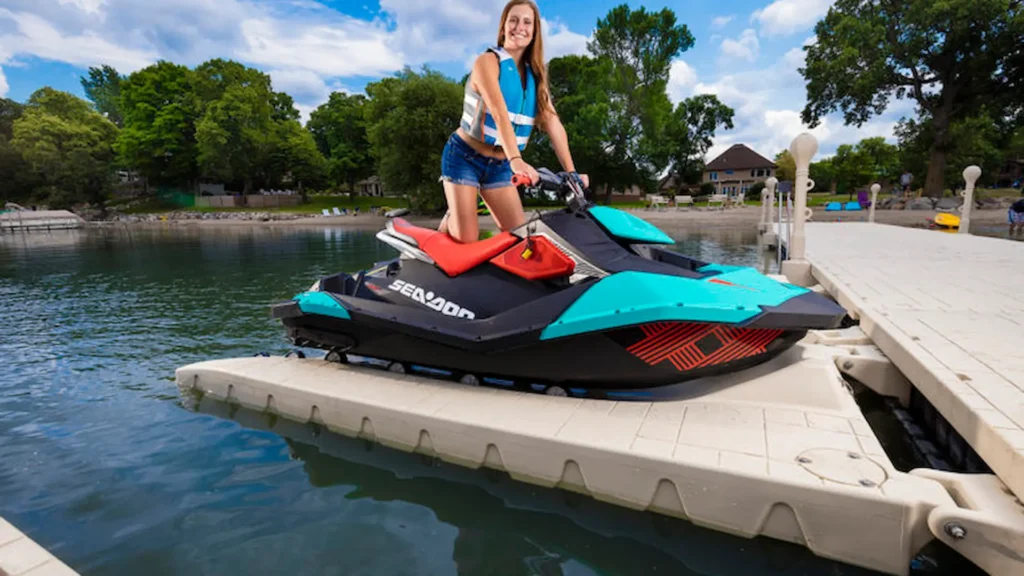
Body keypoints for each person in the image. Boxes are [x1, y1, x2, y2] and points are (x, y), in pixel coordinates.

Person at [437, 0, 588, 243]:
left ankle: (463, 210)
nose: (520, 27)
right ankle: (452, 217)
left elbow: (553, 124)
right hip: (464, 156)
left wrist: (572, 175)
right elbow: (498, 112)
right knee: (466, 238)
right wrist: (516, 160)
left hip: (500, 166)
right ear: (504, 26)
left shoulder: (536, 77)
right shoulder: (487, 62)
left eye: (527, 22)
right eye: (513, 20)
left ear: (535, 31)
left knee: (519, 238)